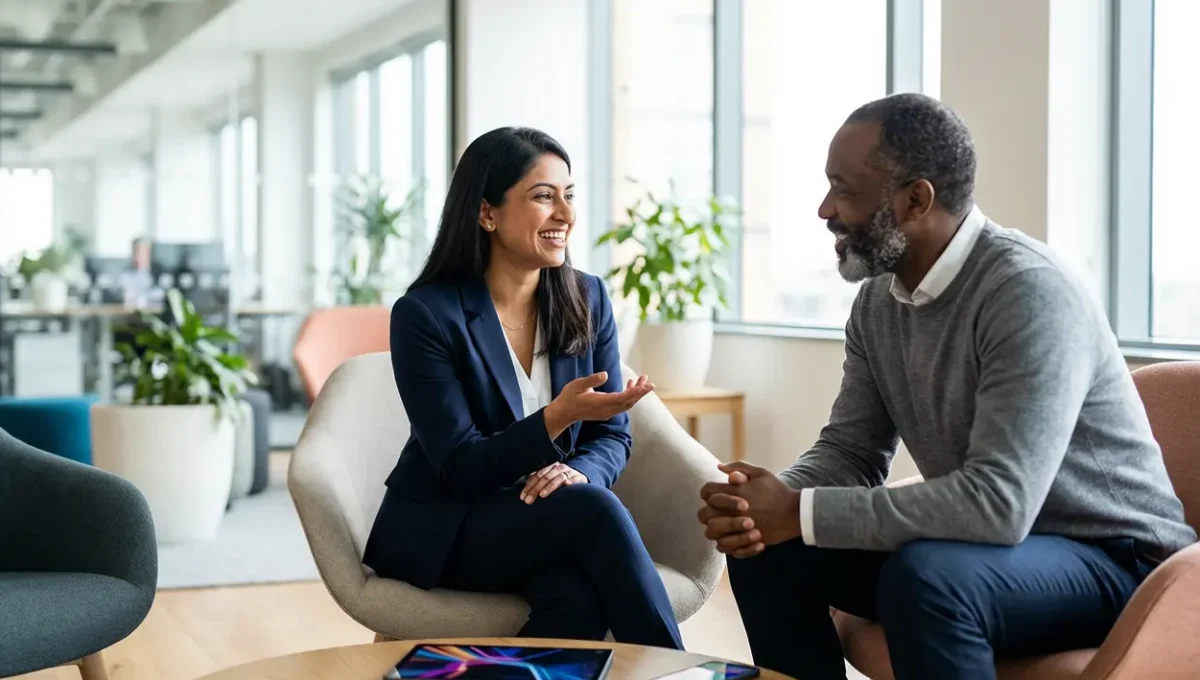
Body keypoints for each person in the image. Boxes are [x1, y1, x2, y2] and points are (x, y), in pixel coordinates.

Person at [697, 93, 1195, 680]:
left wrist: (798, 510)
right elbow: (851, 451)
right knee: (764, 547)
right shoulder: (878, 302)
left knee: (928, 577)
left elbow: (998, 504)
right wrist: (764, 504)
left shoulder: (1026, 293)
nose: (825, 208)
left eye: (845, 190)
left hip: (1115, 564)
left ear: (915, 200)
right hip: (994, 553)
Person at [363, 126, 683, 649]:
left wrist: (575, 471)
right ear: (487, 212)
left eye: (569, 196)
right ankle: (675, 669)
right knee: (594, 511)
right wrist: (555, 419)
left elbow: (612, 437)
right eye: (543, 197)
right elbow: (458, 465)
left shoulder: (588, 297)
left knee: (578, 598)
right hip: (452, 525)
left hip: (551, 520)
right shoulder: (425, 315)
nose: (566, 215)